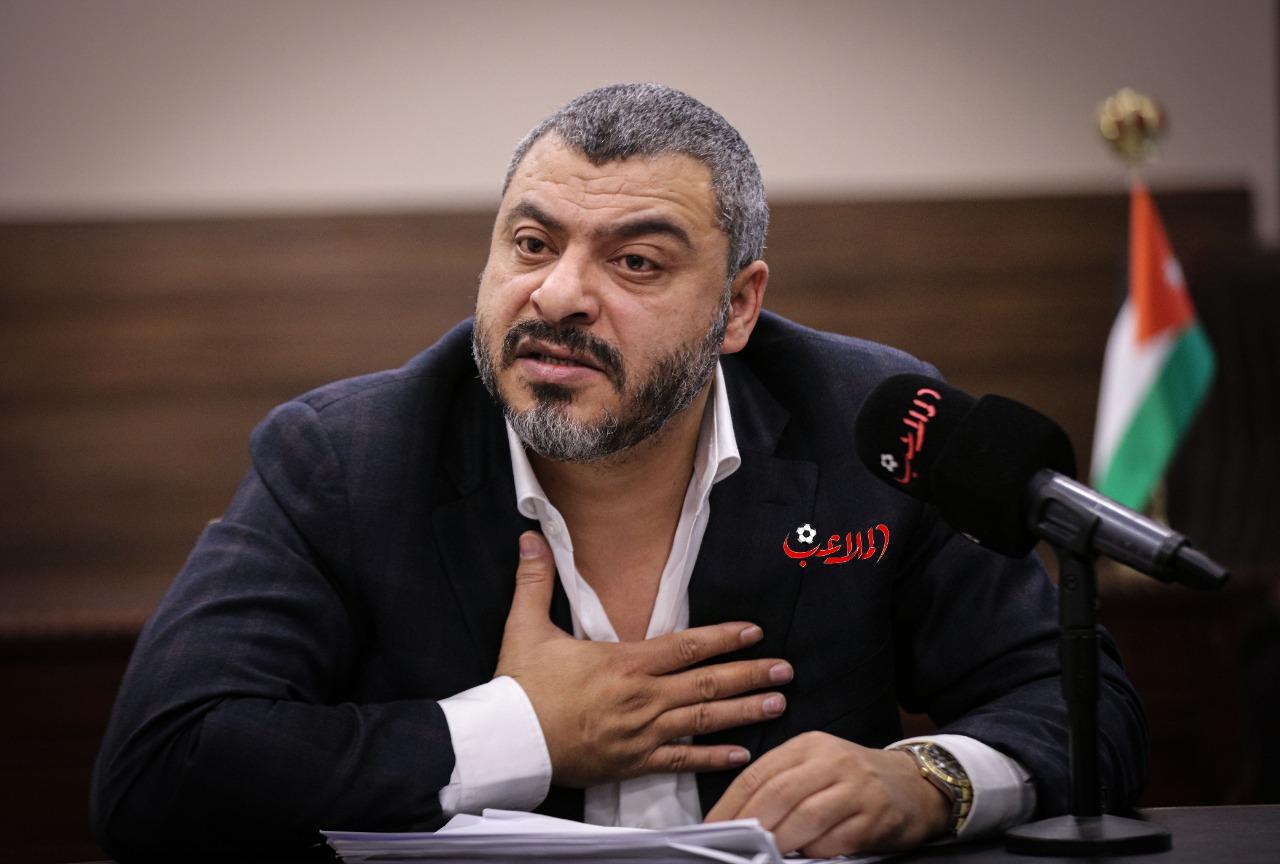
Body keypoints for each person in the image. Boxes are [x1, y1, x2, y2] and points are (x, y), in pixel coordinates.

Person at [92, 83, 1149, 861]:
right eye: (530, 243)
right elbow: (161, 771)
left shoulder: (862, 425)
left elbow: (1082, 706)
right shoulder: (346, 457)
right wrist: (524, 731)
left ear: (737, 307)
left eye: (635, 262)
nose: (558, 295)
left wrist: (928, 781)